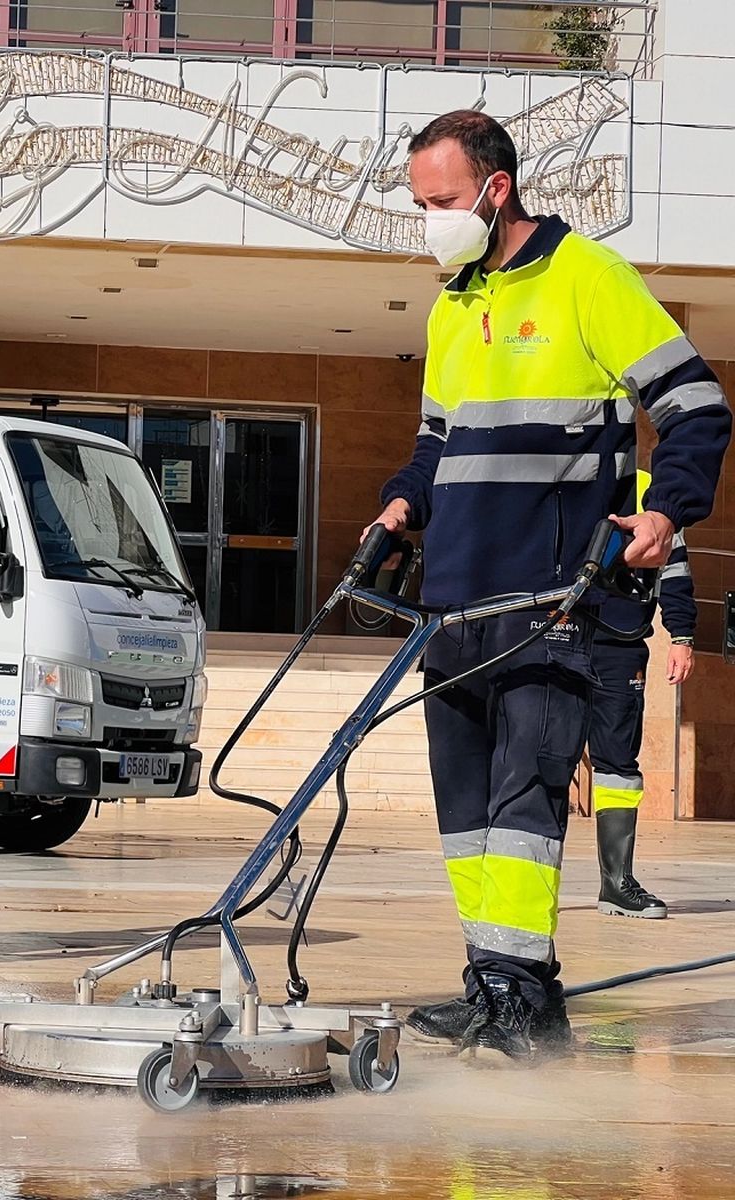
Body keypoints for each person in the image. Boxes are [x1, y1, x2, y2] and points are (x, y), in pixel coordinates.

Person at [365, 111, 729, 1060]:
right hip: (456, 603)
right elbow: (437, 447)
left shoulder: (588, 279)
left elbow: (695, 407)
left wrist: (666, 512)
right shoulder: (452, 304)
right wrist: (401, 505)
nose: (430, 221)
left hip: (552, 599)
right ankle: (494, 984)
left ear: (496, 188)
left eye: (441, 202)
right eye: (420, 205)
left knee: (525, 803)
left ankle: (523, 998)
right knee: (467, 816)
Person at [588, 469, 697, 920]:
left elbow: (674, 567)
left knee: (617, 761)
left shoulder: (650, 489)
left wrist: (683, 636)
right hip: (551, 632)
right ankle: (528, 887)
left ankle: (616, 883)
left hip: (620, 641)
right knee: (538, 756)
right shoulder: (556, 475)